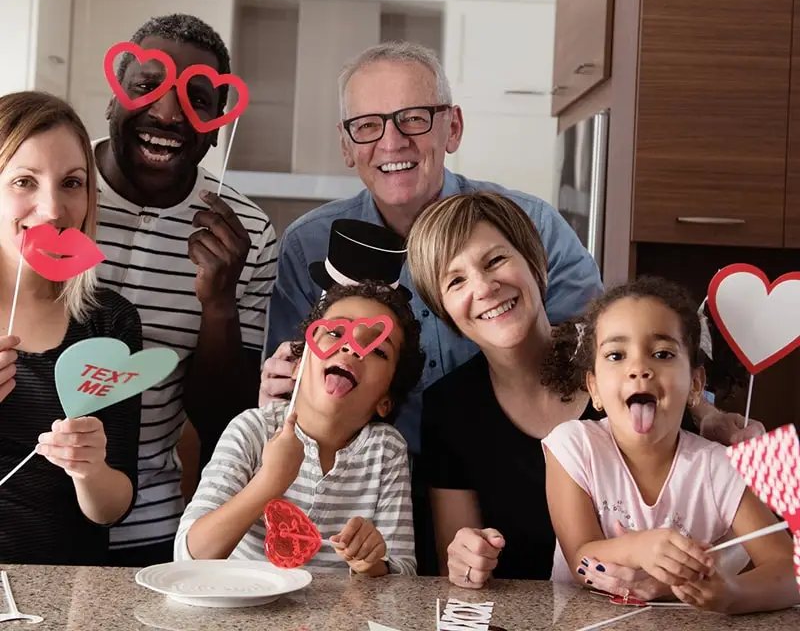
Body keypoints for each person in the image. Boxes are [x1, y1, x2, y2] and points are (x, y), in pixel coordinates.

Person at [405, 192, 764, 588]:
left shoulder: (621, 362)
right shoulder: (449, 408)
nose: (484, 287)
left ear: (534, 262)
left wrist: (710, 416)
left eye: (495, 261)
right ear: (443, 308)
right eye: (456, 280)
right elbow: (455, 565)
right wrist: (465, 560)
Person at [261, 41, 604, 456]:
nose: (392, 142)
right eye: (368, 125)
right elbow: (294, 396)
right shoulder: (308, 246)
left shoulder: (532, 226)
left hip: (514, 477)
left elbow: (598, 357)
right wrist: (280, 390)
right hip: (365, 488)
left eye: (413, 118)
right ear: (346, 145)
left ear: (453, 128)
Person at [93, 14, 278, 566]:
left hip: (149, 526)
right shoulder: (51, 190)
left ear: (218, 122)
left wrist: (218, 304)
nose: (169, 112)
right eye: (148, 86)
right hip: (20, 508)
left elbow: (224, 416)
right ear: (114, 96)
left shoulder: (251, 235)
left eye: (197, 98)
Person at [542, 276, 798, 614]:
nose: (639, 368)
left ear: (695, 384)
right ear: (595, 389)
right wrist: (640, 548)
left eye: (662, 353)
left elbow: (789, 571)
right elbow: (580, 556)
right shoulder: (574, 446)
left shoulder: (720, 467)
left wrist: (732, 592)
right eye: (616, 355)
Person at [175, 281, 424, 576]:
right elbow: (189, 556)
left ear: (386, 400)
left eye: (378, 350)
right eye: (334, 332)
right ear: (298, 364)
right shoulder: (252, 430)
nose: (350, 347)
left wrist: (371, 563)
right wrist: (269, 483)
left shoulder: (387, 450)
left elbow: (404, 575)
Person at [0, 91, 142, 565]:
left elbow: (112, 509)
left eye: (71, 183)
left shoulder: (109, 321)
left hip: (70, 589)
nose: (53, 209)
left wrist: (90, 469)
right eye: (24, 181)